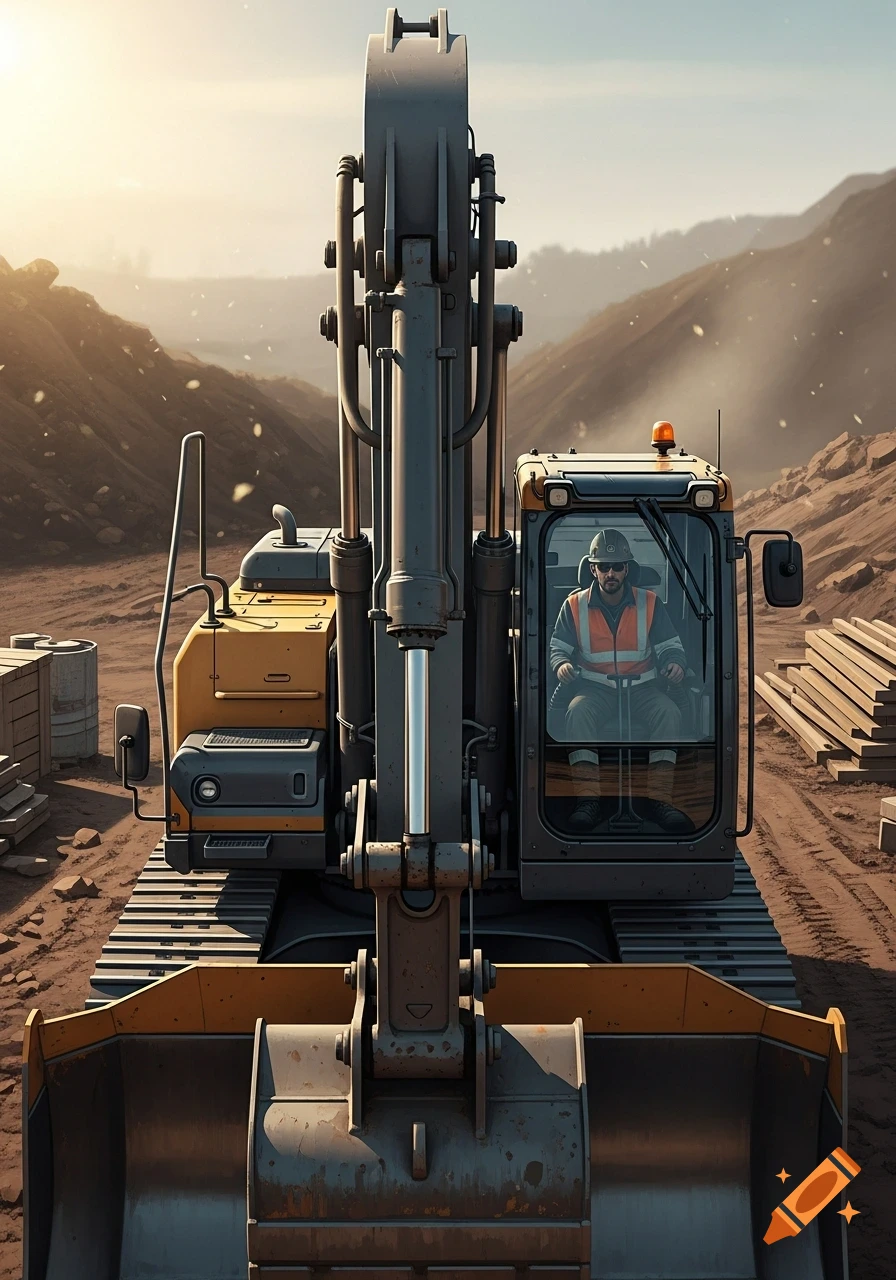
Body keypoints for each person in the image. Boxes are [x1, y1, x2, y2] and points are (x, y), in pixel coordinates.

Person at [550, 528, 693, 834]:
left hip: (643, 688)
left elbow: (671, 647)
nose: (610, 573)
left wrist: (675, 665)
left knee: (669, 713)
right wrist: (561, 665)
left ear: (627, 568)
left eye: (617, 566)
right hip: (595, 689)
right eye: (603, 566)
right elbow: (557, 649)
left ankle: (660, 800)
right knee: (577, 712)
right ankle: (587, 801)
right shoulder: (573, 606)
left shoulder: (650, 603)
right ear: (593, 569)